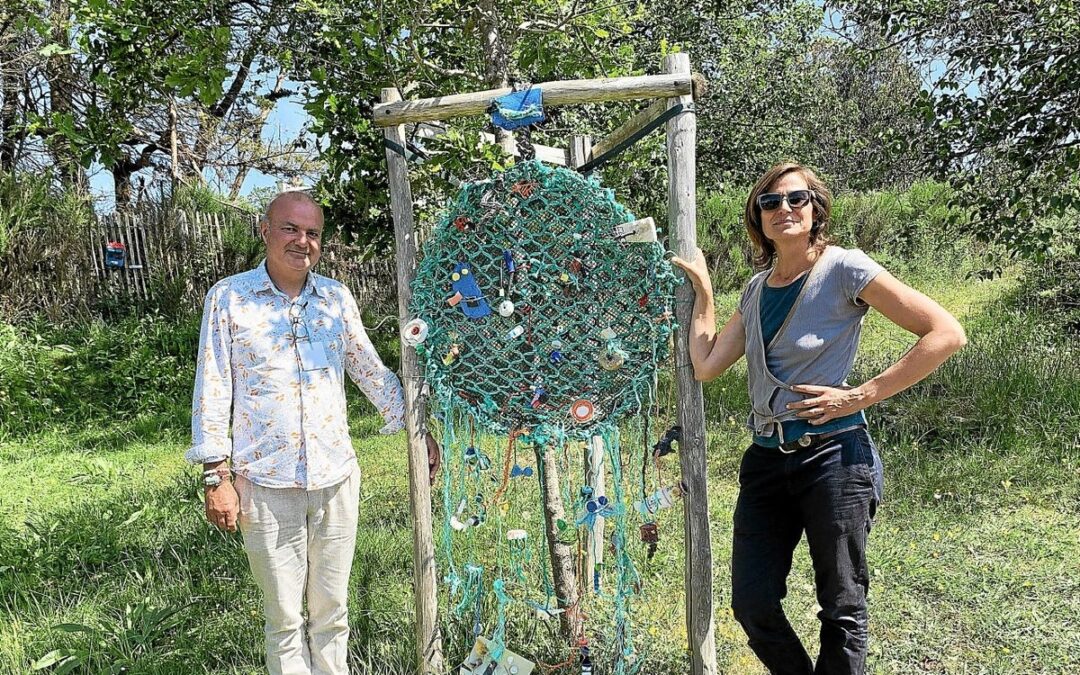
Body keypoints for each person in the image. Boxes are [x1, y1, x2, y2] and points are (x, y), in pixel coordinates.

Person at [671, 162, 967, 674]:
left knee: (842, 606)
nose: (783, 209)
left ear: (815, 208)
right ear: (757, 217)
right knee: (752, 603)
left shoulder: (846, 268)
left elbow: (945, 333)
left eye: (796, 199)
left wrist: (860, 396)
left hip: (834, 456)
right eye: (770, 202)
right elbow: (707, 365)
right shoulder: (756, 288)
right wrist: (704, 294)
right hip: (766, 460)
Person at [185, 191, 406, 675]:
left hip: (335, 478)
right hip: (264, 484)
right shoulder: (229, 298)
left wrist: (418, 427)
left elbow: (369, 370)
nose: (301, 241)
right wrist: (214, 476)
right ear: (265, 231)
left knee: (332, 612)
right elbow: (213, 384)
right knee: (284, 618)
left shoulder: (335, 298)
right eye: (290, 228)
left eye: (312, 233)